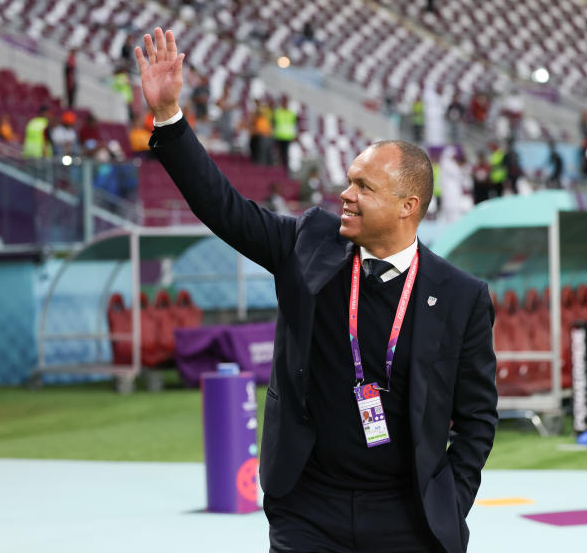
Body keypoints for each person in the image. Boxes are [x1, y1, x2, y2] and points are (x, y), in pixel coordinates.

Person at [135, 27, 497, 553]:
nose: (345, 195)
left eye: (363, 187)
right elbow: (223, 208)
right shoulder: (309, 242)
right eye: (349, 180)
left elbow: (477, 416)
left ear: (407, 206)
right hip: (309, 511)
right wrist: (169, 115)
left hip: (408, 518)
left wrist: (451, 498)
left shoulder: (461, 295)